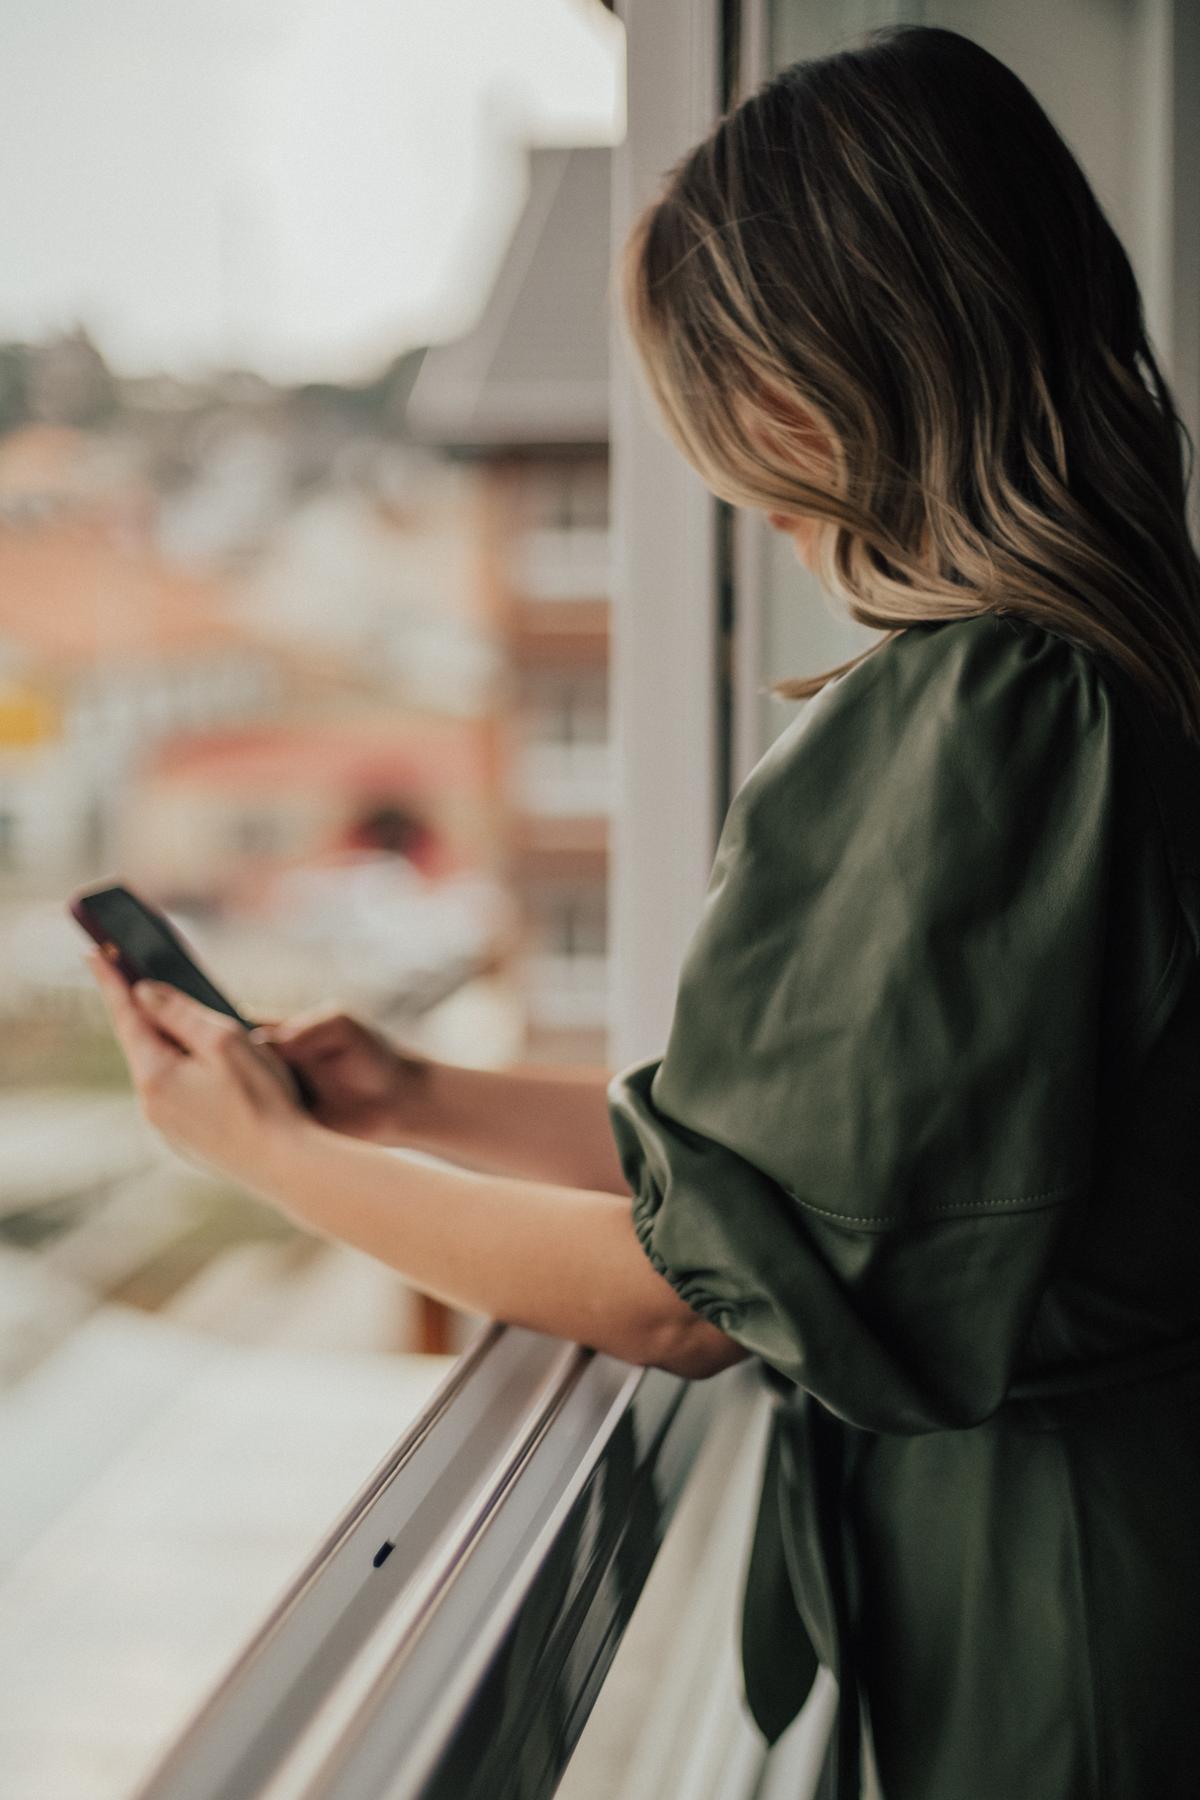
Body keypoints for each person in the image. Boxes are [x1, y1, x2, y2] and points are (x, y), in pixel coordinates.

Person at [86, 23, 1200, 1799]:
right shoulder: (1106, 678)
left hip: (1065, 1615)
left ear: (831, 384)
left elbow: (698, 1295)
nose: (727, 477)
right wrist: (415, 1096)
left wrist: (272, 1160)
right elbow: (806, 1171)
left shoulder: (989, 714)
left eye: (724, 399)